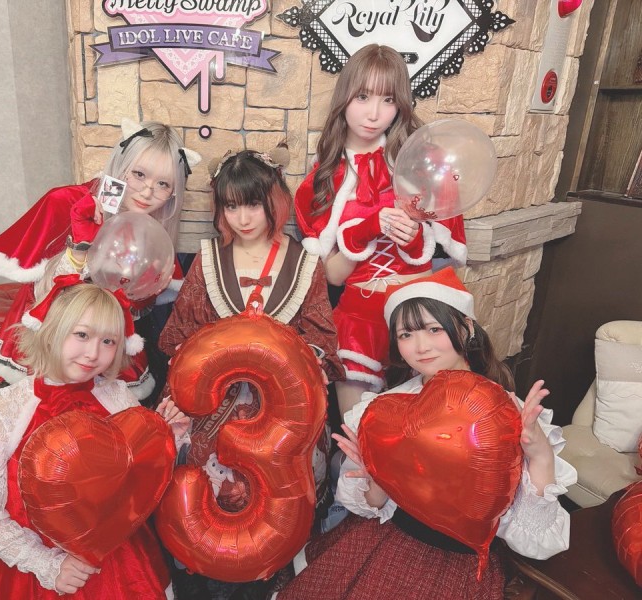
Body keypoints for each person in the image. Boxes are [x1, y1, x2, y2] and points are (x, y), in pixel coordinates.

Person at [275, 268, 577, 600]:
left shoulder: (506, 413)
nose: (420, 347)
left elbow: (537, 541)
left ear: (466, 327)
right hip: (387, 541)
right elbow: (371, 505)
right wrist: (379, 476)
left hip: (461, 563)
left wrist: (540, 455)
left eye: (434, 329)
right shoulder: (385, 409)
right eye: (406, 334)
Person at [158, 148, 345, 599]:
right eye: (231, 206)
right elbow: (181, 336)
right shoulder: (208, 260)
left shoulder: (305, 264)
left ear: (274, 202)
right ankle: (204, 576)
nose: (243, 218)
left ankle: (273, 580)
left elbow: (322, 337)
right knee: (202, 491)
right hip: (215, 405)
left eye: (254, 205)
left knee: (284, 499)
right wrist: (176, 395)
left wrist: (310, 364)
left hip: (284, 411)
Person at [0, 278, 190, 599]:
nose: (93, 353)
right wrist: (48, 565)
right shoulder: (6, 408)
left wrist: (165, 441)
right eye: (81, 335)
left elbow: (135, 486)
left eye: (108, 341)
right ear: (52, 331)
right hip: (45, 572)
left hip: (118, 560)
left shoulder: (118, 397)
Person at [293, 44, 467, 417]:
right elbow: (332, 276)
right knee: (358, 430)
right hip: (360, 317)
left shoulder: (422, 162)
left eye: (388, 100)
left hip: (420, 313)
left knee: (431, 426)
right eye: (363, 97)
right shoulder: (324, 178)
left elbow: (439, 254)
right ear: (345, 97)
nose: (374, 113)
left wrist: (414, 237)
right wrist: (368, 229)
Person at [0, 119, 201, 402]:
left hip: (104, 342)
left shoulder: (152, 231)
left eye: (163, 184)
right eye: (139, 174)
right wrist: (82, 248)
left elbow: (136, 306)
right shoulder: (66, 202)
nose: (147, 191)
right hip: (49, 335)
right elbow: (45, 293)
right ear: (122, 165)